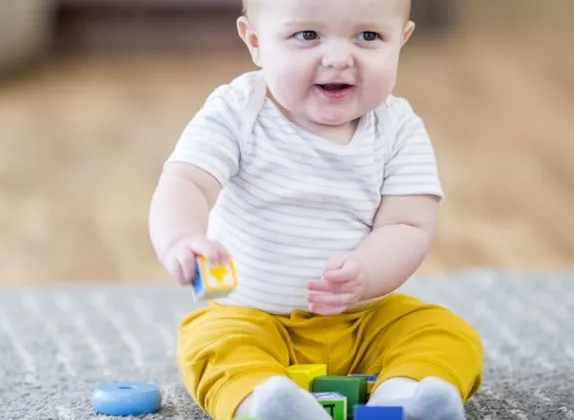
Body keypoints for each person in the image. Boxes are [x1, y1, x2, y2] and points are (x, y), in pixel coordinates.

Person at [147, 0, 484, 418]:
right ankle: (266, 404)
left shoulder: (398, 128)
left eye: (368, 36)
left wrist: (366, 272)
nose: (339, 59)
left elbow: (407, 223)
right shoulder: (237, 111)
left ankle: (403, 397)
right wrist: (182, 238)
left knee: (446, 332)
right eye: (307, 35)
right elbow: (186, 182)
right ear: (255, 42)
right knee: (210, 345)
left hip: (364, 319)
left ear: (401, 41)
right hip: (251, 318)